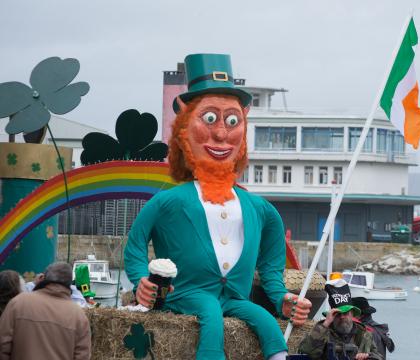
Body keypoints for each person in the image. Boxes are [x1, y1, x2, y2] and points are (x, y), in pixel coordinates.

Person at [124, 53, 311, 360]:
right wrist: (140, 280)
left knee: (265, 321)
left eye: (233, 120)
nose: (222, 133)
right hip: (186, 295)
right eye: (209, 118)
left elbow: (271, 265)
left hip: (235, 297)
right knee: (210, 314)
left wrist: (281, 299)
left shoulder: (259, 209)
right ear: (184, 127)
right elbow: (134, 245)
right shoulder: (169, 201)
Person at [0, 262, 91, 360]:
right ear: (69, 283)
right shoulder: (79, 316)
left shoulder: (18, 303)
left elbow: (3, 346)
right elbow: (82, 356)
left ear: (44, 277)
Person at [298, 279, 382, 360]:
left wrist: (367, 356)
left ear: (352, 313)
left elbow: (378, 356)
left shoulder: (364, 334)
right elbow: (306, 351)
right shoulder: (322, 331)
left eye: (345, 313)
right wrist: (326, 323)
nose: (342, 317)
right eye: (337, 314)